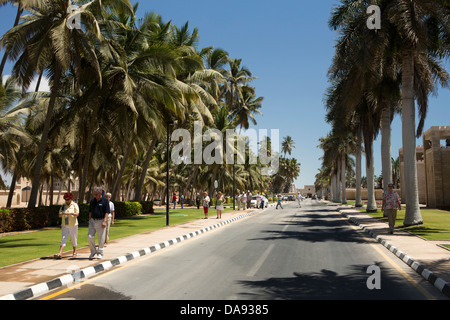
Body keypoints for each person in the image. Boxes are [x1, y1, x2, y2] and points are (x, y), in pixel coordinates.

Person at [55, 192, 79, 259]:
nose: (67, 201)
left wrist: (70, 213)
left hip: (73, 224)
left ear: (71, 199)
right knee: (63, 238)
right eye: (65, 199)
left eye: (68, 199)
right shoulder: (63, 205)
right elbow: (59, 215)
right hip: (65, 224)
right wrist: (62, 213)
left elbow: (77, 214)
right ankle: (60, 253)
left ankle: (74, 252)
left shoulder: (74, 205)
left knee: (73, 238)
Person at [88, 188, 110, 259]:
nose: (95, 195)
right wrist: (89, 220)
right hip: (92, 221)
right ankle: (93, 252)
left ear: (100, 194)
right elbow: (90, 211)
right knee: (90, 236)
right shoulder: (92, 201)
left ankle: (100, 252)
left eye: (96, 194)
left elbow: (107, 212)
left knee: (101, 238)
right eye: (94, 194)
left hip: (101, 221)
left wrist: (104, 221)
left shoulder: (105, 201)